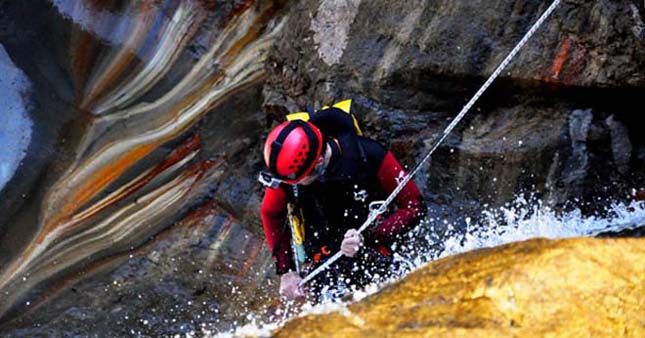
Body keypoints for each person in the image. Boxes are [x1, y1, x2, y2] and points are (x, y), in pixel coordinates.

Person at [259, 100, 426, 301]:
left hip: (373, 246)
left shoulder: (369, 155)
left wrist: (371, 236)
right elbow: (270, 213)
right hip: (322, 254)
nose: (286, 185)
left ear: (318, 163)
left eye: (295, 180)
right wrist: (286, 271)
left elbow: (415, 206)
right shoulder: (288, 173)